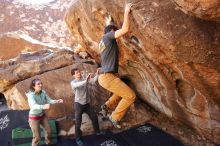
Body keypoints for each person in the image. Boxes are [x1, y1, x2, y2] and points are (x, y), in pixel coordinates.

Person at [98, 3, 136, 129]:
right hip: (108, 77)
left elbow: (107, 30)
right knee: (130, 96)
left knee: (121, 92)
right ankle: (114, 117)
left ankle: (106, 106)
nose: (116, 33)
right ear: (111, 32)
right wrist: (126, 12)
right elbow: (125, 30)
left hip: (105, 77)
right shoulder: (109, 37)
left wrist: (108, 23)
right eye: (114, 31)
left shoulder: (102, 41)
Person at [26, 78, 63, 146]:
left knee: (49, 131)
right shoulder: (31, 95)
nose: (41, 85)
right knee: (37, 137)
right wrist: (43, 106)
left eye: (41, 83)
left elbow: (49, 101)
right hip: (34, 117)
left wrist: (57, 101)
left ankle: (48, 143)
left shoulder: (43, 92)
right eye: (38, 84)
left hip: (42, 116)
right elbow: (33, 106)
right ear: (33, 86)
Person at [70, 68, 101, 146]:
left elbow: (93, 81)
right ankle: (77, 138)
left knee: (94, 117)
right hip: (78, 104)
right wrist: (86, 80)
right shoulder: (73, 82)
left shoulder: (84, 79)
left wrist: (97, 74)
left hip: (87, 104)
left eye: (79, 72)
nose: (79, 73)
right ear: (73, 75)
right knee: (78, 123)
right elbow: (78, 85)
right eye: (77, 73)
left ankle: (97, 132)